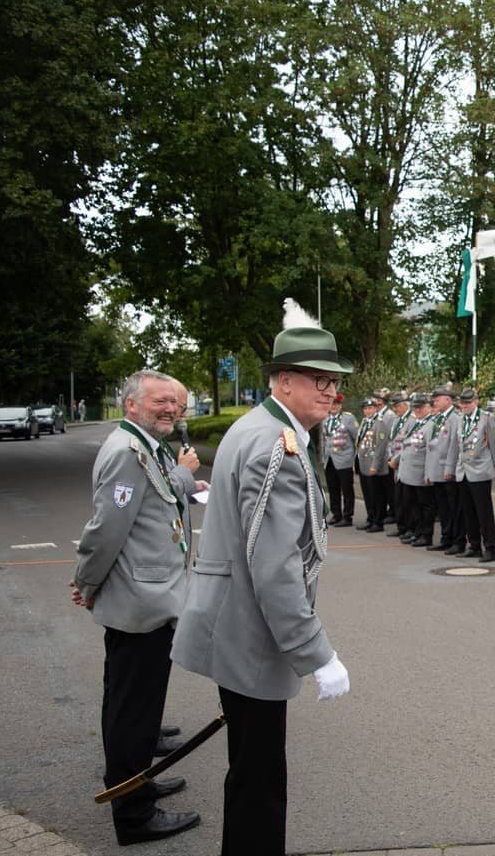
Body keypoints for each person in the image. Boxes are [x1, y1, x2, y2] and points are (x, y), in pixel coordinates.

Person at [171, 309, 351, 856]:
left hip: (234, 621)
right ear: (284, 380)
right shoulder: (277, 444)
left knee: (251, 770)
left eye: (335, 381)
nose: (331, 392)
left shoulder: (261, 428)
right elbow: (274, 567)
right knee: (259, 780)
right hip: (250, 631)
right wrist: (315, 653)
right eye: (320, 380)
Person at [71, 370, 199, 845]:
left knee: (134, 707)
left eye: (175, 403)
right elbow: (106, 529)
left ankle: (137, 780)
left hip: (150, 598)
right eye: (160, 401)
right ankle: (134, 815)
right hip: (141, 604)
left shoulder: (144, 446)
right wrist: (87, 582)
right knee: (133, 712)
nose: (171, 408)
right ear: (131, 405)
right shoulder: (128, 452)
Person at [455, 388, 495, 562]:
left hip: (480, 470)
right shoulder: (461, 419)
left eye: (468, 402)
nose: (465, 405)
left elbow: (494, 444)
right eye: (463, 403)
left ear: (476, 401)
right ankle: (474, 545)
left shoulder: (486, 418)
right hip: (464, 471)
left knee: (484, 513)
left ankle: (489, 548)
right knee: (468, 512)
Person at [425, 383, 464, 554]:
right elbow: (430, 446)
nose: (434, 403)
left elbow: (454, 446)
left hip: (448, 470)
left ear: (448, 400)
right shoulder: (438, 418)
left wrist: (450, 468)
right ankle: (446, 538)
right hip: (436, 469)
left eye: (437, 399)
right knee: (443, 509)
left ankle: (457, 541)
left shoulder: (454, 418)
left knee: (453, 508)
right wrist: (429, 471)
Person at [398, 393, 436, 546]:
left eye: (421, 407)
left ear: (428, 407)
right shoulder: (415, 423)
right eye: (415, 408)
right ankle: (417, 532)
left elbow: (430, 452)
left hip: (420, 471)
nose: (418, 410)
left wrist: (428, 474)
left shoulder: (431, 424)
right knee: (414, 505)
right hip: (409, 471)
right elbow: (406, 444)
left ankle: (426, 535)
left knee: (425, 505)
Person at [322, 395, 358, 527]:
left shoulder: (348, 418)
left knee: (347, 489)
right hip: (329, 459)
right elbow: (323, 438)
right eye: (332, 404)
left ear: (340, 406)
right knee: (333, 488)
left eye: (336, 404)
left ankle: (347, 516)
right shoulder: (324, 418)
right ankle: (336, 514)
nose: (333, 406)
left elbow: (356, 438)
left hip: (344, 458)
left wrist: (354, 458)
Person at [354, 397, 389, 532]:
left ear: (375, 409)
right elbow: (359, 443)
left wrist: (375, 465)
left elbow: (381, 446)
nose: (368, 411)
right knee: (368, 494)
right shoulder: (364, 422)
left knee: (377, 495)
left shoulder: (380, 423)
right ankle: (370, 518)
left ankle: (378, 522)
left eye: (370, 408)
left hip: (373, 464)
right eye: (365, 408)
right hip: (363, 462)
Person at [385, 391, 413, 539]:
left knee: (407, 499)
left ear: (404, 405)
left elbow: (408, 444)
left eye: (397, 406)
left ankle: (409, 528)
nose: (395, 409)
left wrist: (395, 459)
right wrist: (391, 457)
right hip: (395, 463)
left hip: (405, 462)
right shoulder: (397, 420)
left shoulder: (411, 420)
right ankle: (401, 527)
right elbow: (391, 441)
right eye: (394, 406)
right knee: (398, 498)